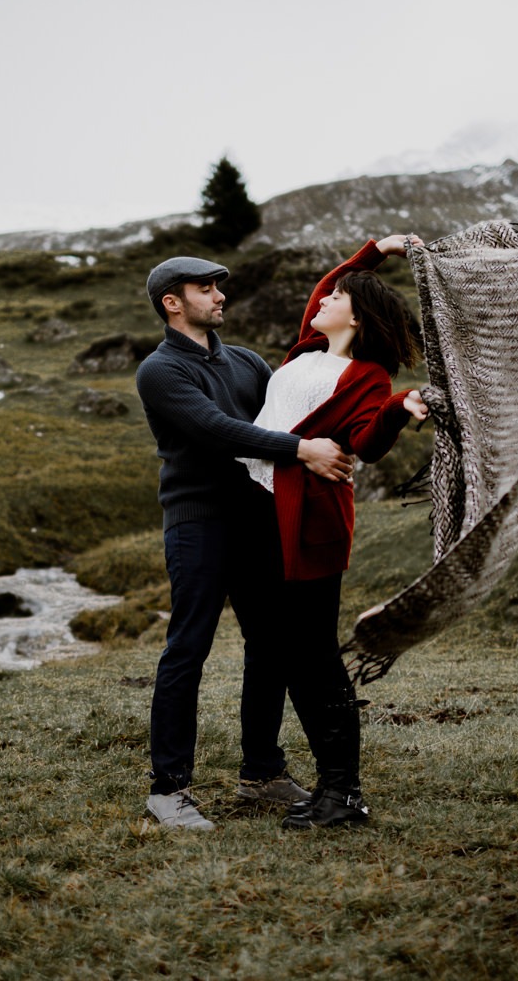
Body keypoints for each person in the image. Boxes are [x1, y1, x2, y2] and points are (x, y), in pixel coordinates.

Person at [135, 255, 356, 830]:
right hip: (198, 522)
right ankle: (168, 790)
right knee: (189, 647)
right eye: (204, 288)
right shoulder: (160, 371)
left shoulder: (248, 362)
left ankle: (261, 774)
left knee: (271, 647)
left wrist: (374, 252)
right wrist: (301, 451)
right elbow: (215, 430)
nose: (218, 296)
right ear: (172, 303)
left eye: (218, 287)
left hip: (257, 519)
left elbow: (306, 379)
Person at [235, 234, 429, 829]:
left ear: (358, 314)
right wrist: (377, 249)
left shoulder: (367, 375)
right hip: (259, 512)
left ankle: (342, 790)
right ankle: (311, 783)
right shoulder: (304, 353)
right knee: (282, 652)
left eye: (338, 296)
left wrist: (400, 407)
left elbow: (367, 442)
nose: (323, 298)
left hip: (309, 523)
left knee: (314, 657)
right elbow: (326, 283)